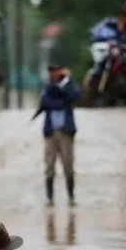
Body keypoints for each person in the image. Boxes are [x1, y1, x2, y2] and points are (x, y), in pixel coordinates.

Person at [31, 65, 80, 207]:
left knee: (68, 165)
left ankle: (71, 197)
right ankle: (50, 198)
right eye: (52, 71)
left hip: (66, 132)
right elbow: (45, 101)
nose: (54, 73)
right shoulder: (46, 86)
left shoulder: (69, 85)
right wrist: (63, 102)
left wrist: (67, 82)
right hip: (51, 132)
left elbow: (75, 95)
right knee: (49, 165)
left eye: (56, 71)